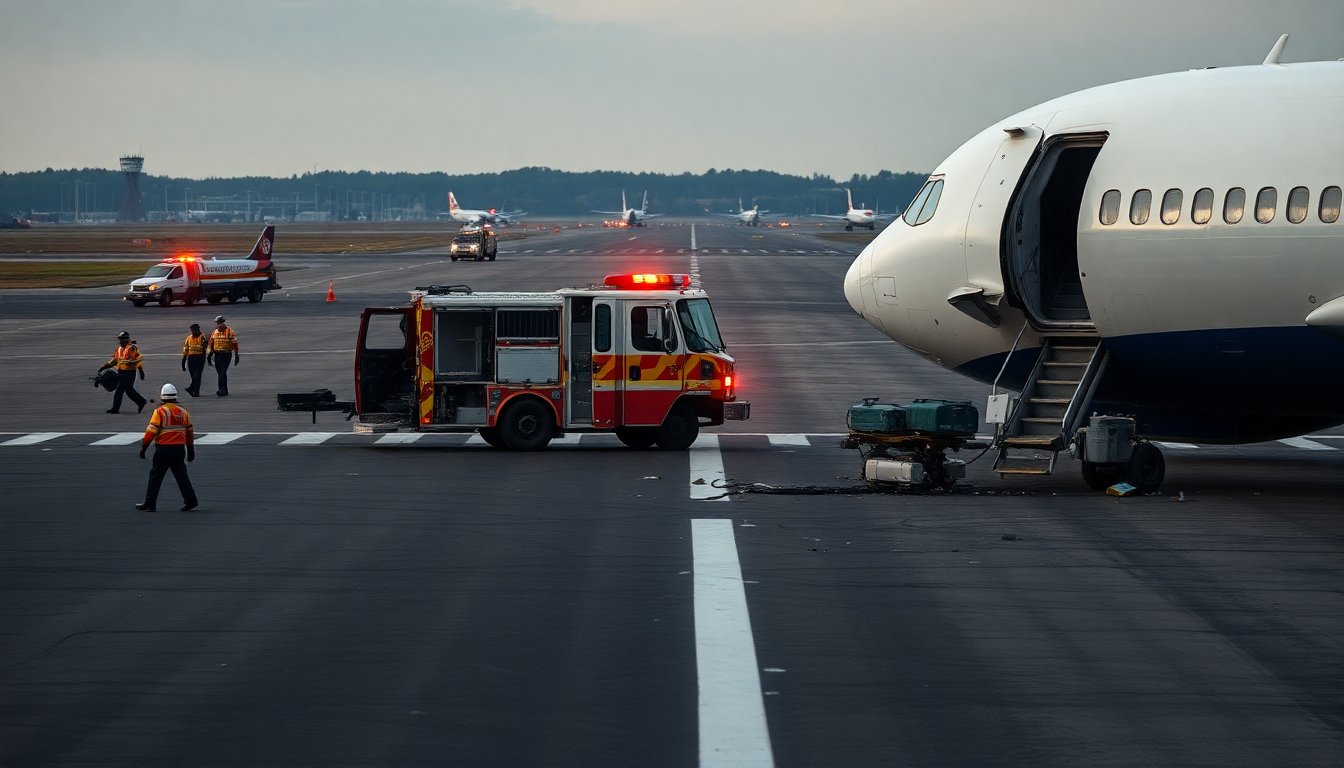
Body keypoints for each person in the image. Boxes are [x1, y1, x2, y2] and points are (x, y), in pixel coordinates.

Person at [136, 383, 198, 512]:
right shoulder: (183, 412)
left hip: (163, 450)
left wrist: (143, 448)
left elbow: (151, 432)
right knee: (182, 476)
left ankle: (150, 503)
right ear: (175, 397)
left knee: (156, 477)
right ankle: (191, 501)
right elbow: (189, 433)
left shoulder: (160, 412)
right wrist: (191, 451)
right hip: (179, 450)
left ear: (162, 397)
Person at [97, 330, 148, 414]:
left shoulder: (131, 348)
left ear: (127, 339)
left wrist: (140, 369)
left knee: (119, 390)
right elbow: (115, 360)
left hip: (129, 373)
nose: (120, 341)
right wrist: (105, 366)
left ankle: (115, 409)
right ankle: (141, 401)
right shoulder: (119, 349)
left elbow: (138, 358)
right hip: (121, 372)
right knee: (129, 390)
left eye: (122, 340)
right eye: (120, 340)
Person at [206, 315, 240, 396]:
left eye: (220, 323)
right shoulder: (215, 332)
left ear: (223, 323)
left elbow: (234, 343)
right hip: (217, 355)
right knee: (220, 373)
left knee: (222, 372)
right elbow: (211, 344)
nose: (219, 324)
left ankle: (221, 389)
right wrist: (209, 356)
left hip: (226, 355)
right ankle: (225, 389)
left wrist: (236, 355)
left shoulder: (230, 331)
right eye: (217, 323)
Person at [181, 322, 208, 397]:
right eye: (191, 331)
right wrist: (183, 363)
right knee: (193, 376)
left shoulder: (203, 336)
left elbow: (206, 346)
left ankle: (196, 391)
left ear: (198, 329)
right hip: (191, 359)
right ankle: (193, 390)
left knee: (197, 376)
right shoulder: (189, 338)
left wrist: (205, 343)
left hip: (200, 358)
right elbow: (185, 350)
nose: (192, 332)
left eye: (194, 330)